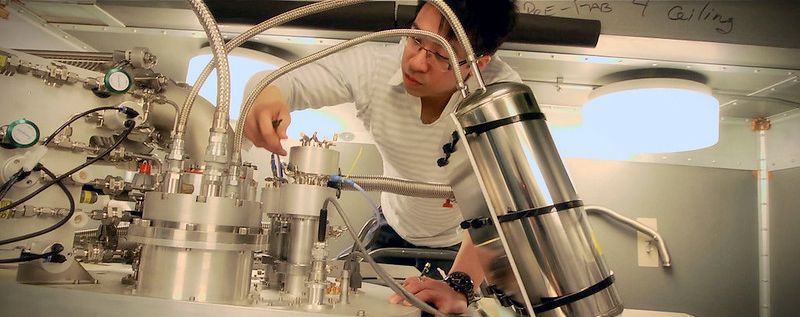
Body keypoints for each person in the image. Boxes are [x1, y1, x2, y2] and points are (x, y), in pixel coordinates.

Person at [244, 0, 520, 313]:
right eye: (415, 38)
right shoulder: (374, 67)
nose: (416, 62)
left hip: (467, 242)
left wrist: (461, 284)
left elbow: (507, 204)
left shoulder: (503, 99)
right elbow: (283, 80)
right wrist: (265, 96)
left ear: (479, 64)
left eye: (441, 54)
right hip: (393, 227)